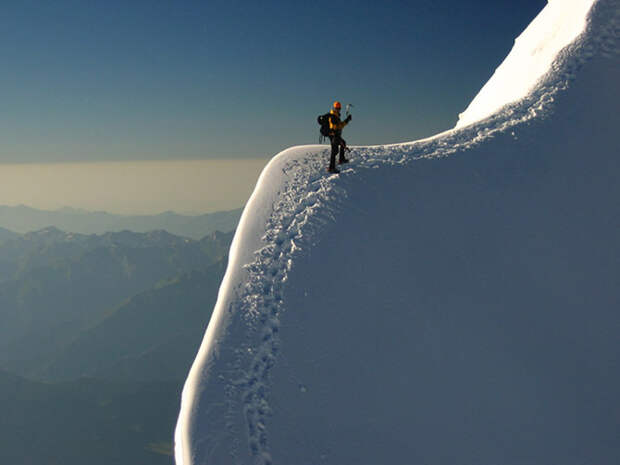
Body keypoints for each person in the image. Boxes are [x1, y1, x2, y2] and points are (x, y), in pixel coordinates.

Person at [327, 101, 351, 173]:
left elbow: (340, 125)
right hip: (334, 135)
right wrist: (346, 121)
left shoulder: (336, 115)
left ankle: (341, 159)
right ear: (335, 108)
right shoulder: (333, 116)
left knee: (343, 143)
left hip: (335, 135)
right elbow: (336, 127)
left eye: (339, 108)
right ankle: (331, 167)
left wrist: (347, 121)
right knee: (334, 151)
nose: (338, 109)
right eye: (337, 108)